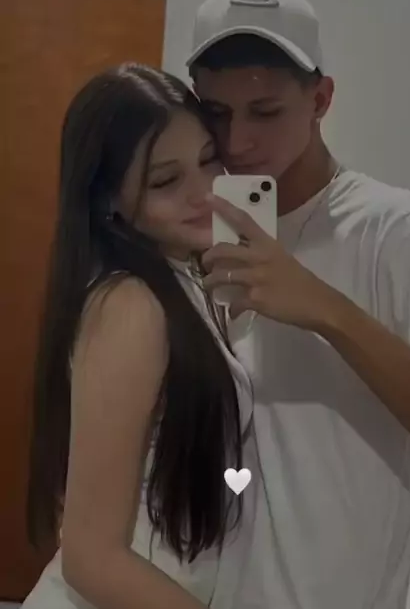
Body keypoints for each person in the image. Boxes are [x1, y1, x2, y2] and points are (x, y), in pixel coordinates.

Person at [187, 0, 410, 609]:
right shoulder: (189, 223)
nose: (237, 142)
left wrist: (323, 307)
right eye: (216, 113)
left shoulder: (393, 229)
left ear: (320, 99)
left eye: (266, 112)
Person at [22, 63, 256, 609]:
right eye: (166, 181)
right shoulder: (130, 306)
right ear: (109, 201)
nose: (205, 192)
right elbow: (90, 557)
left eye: (209, 160)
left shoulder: (184, 280)